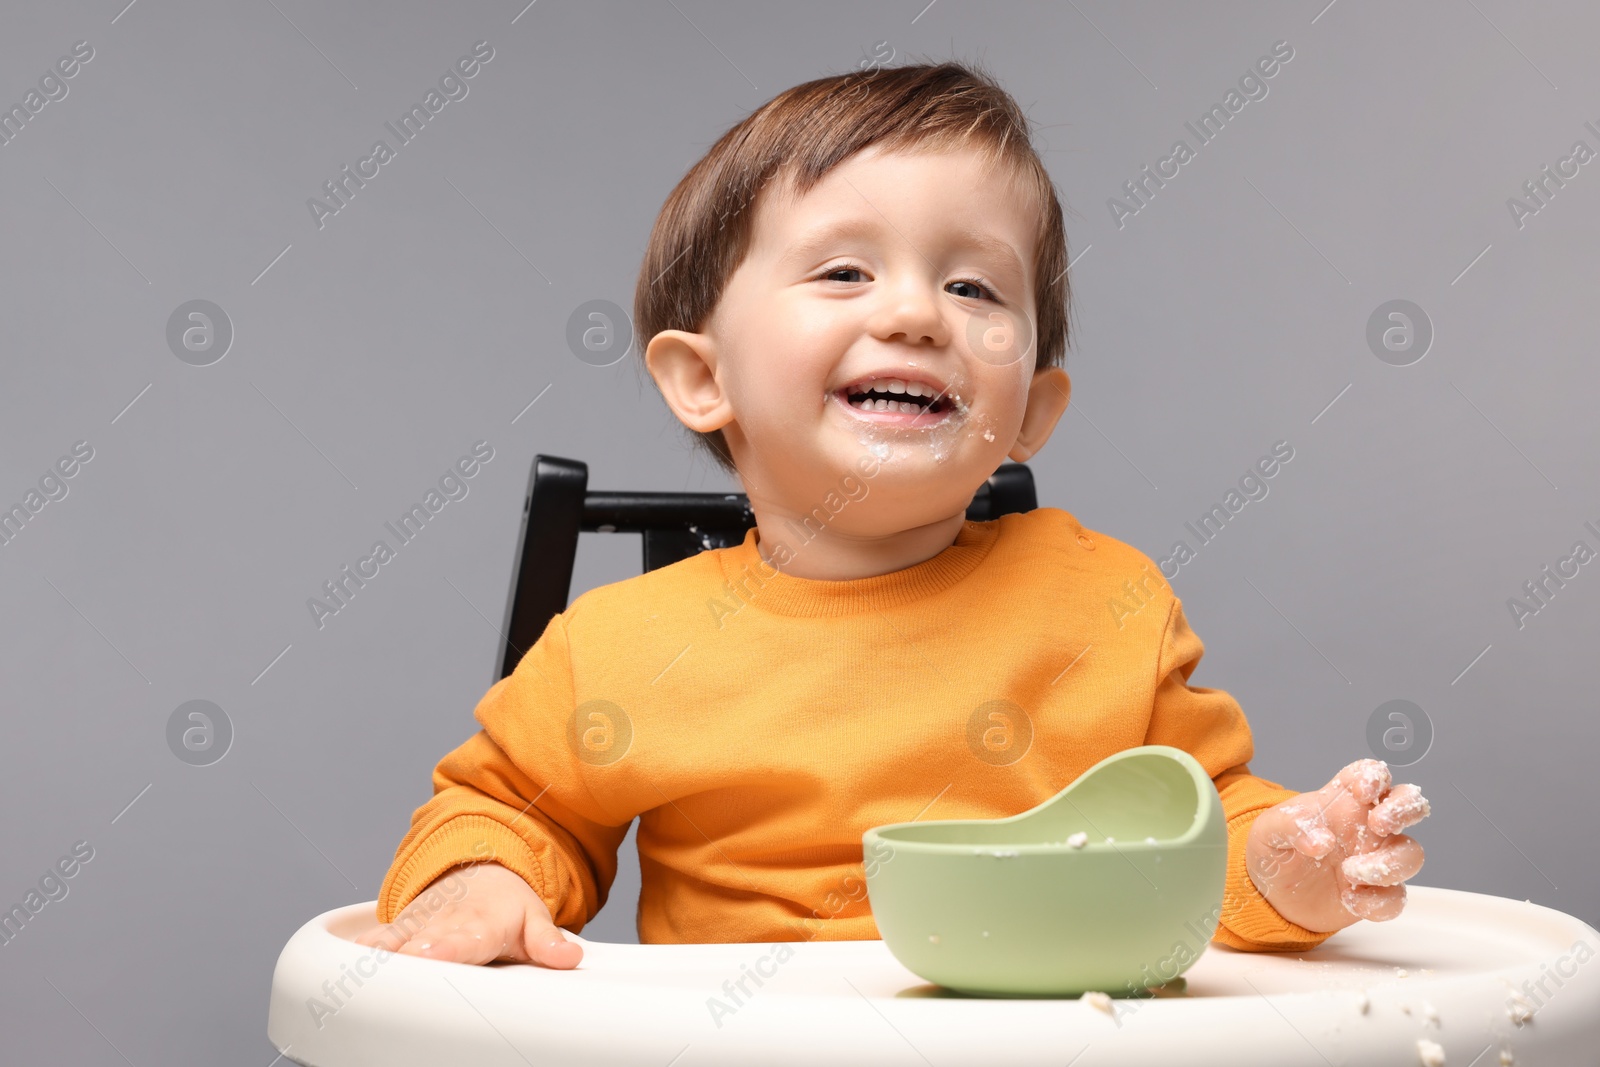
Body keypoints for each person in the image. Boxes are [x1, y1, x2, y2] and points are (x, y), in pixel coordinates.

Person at [357, 59, 1428, 972]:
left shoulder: (1103, 602)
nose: (915, 312)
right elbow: (509, 807)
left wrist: (1287, 862)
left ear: (1031, 411)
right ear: (701, 378)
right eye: (843, 269)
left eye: (973, 288)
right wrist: (481, 877)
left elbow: (1200, 817)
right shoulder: (617, 649)